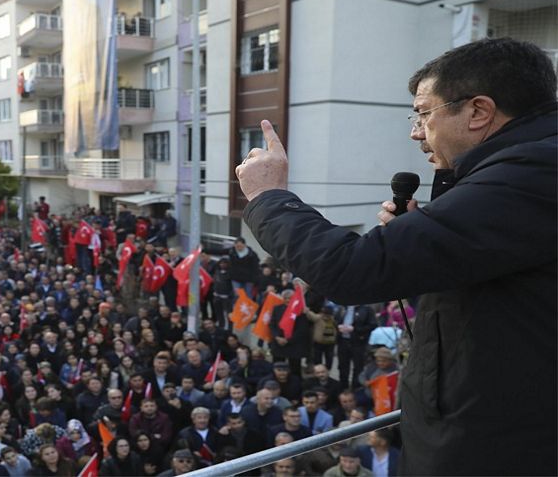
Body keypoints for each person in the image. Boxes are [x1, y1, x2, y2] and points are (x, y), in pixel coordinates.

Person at [236, 38, 556, 475]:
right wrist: (420, 238)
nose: (415, 131)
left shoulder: (529, 175)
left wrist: (268, 196)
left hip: (498, 448)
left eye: (425, 113)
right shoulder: (525, 169)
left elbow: (351, 271)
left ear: (479, 111)